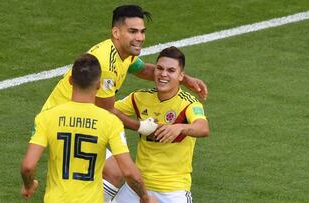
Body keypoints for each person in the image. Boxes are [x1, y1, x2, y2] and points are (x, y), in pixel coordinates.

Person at [41, 4, 208, 202]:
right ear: (116, 32)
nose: (140, 37)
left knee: (103, 172)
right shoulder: (107, 64)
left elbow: (144, 70)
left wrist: (185, 78)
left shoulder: (123, 55)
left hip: (77, 117)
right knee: (114, 171)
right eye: (133, 31)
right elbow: (108, 110)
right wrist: (141, 126)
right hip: (66, 120)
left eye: (142, 31)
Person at [20, 54, 155, 203]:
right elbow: (130, 172)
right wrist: (145, 197)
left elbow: (28, 166)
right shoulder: (110, 121)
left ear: (70, 81)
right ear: (98, 85)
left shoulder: (46, 118)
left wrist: (29, 185)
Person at [112, 46, 209, 203]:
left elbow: (203, 128)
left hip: (173, 191)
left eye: (171, 70)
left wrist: (180, 127)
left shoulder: (189, 104)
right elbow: (107, 111)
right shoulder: (139, 97)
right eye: (160, 68)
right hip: (137, 186)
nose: (164, 74)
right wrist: (137, 125)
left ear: (181, 76)